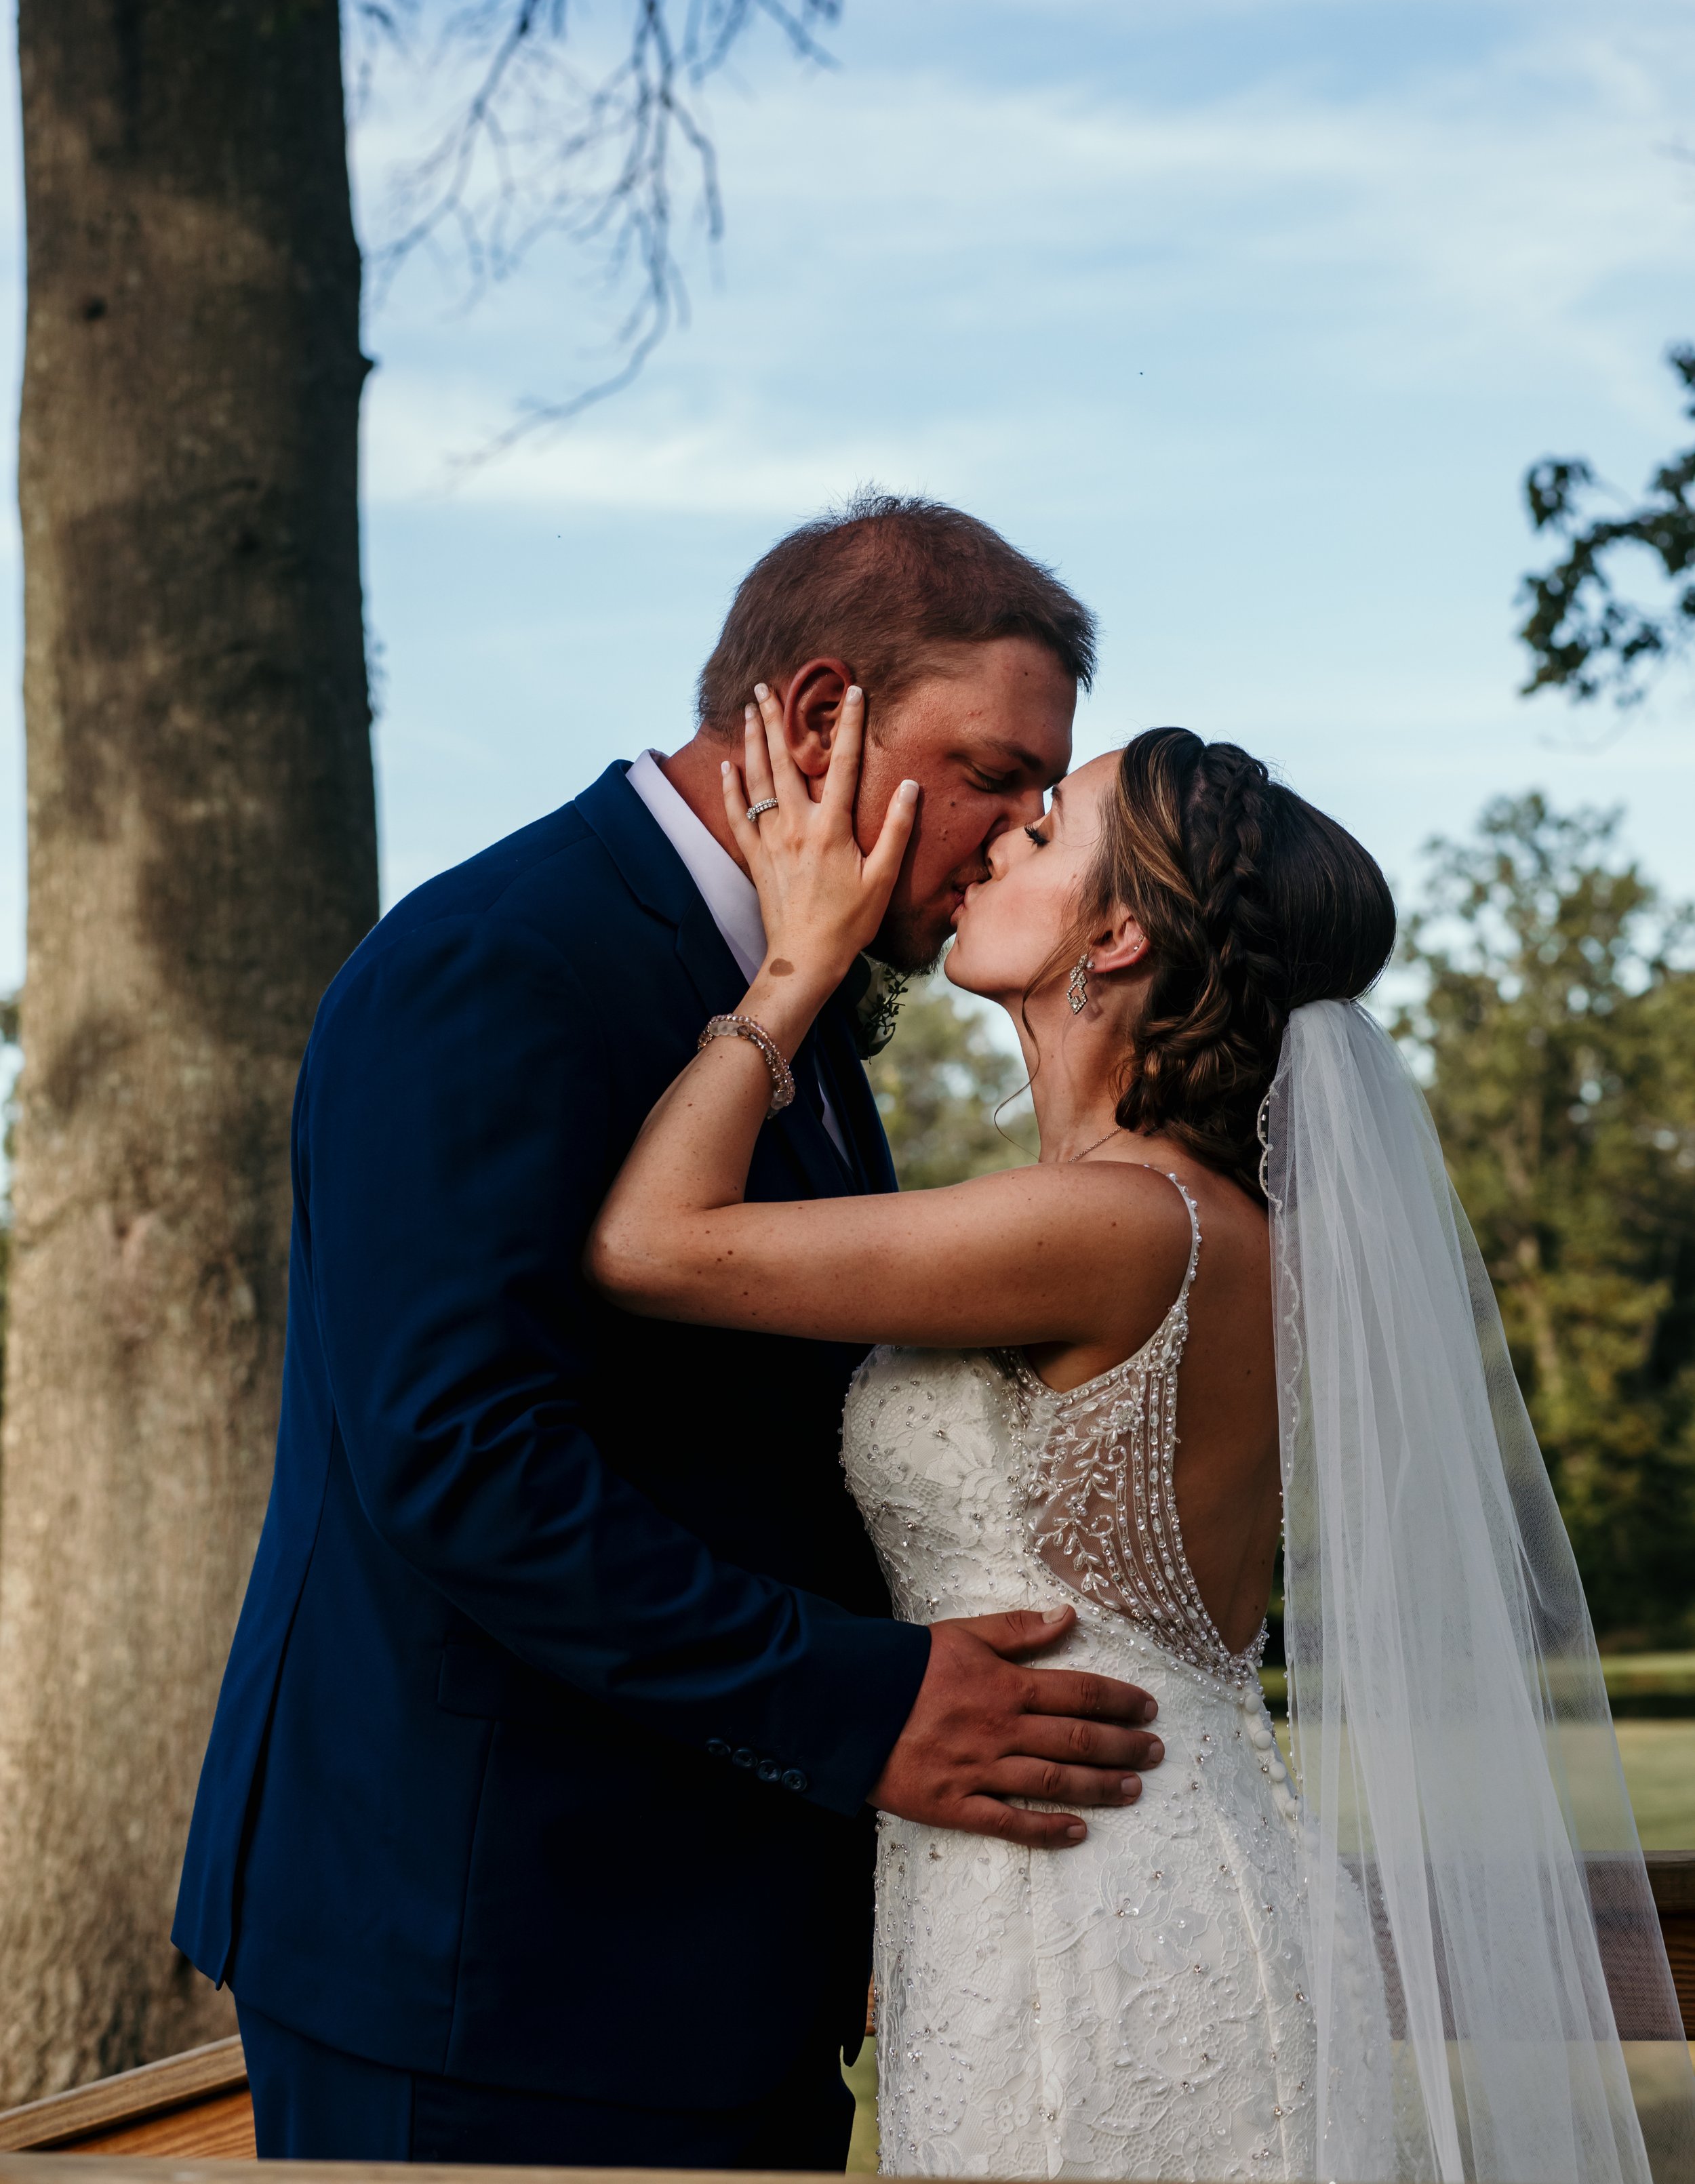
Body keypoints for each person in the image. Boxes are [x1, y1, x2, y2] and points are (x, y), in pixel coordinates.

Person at [171, 493, 1168, 2169]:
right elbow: (460, 1460)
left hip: (716, 1963)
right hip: (479, 1960)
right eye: (993, 772)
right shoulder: (499, 960)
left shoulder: (808, 1006)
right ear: (814, 714)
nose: (1010, 837)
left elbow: (770, 1456)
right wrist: (859, 1710)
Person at [589, 693, 1695, 2183]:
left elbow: (651, 1244)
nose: (984, 850)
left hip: (1093, 1911)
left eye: (1040, 832)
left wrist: (793, 969)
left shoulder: (1109, 1222)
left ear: (1110, 941)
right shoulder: (1194, 1222)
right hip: (1093, 1868)